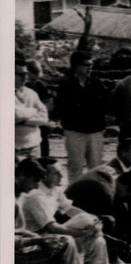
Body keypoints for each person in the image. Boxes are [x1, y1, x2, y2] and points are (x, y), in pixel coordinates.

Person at [19, 157, 109, 264]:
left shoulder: (55, 189)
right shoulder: (34, 195)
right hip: (37, 238)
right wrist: (82, 233)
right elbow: (51, 227)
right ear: (44, 175)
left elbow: (69, 209)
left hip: (50, 233)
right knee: (75, 238)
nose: (61, 176)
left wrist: (93, 221)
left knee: (98, 241)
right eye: (56, 173)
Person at [15, 158, 83, 264]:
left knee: (62, 241)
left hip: (24, 242)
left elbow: (18, 230)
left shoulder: (20, 195)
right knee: (65, 243)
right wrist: (38, 240)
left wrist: (37, 238)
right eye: (34, 181)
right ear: (22, 176)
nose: (37, 186)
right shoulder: (17, 199)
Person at [54, 50, 109, 182]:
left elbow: (106, 105)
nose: (90, 67)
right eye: (86, 64)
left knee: (96, 169)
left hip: (95, 132)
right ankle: (73, 198)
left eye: (91, 64)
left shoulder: (97, 84)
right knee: (75, 168)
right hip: (75, 132)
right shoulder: (65, 85)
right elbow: (61, 108)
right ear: (76, 66)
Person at [15, 56, 49, 159]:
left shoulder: (31, 93)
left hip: (34, 148)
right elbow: (14, 115)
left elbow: (44, 117)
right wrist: (33, 111)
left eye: (25, 74)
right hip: (14, 150)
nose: (24, 77)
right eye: (20, 74)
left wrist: (22, 121)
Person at [25, 60, 54, 158]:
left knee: (43, 145)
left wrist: (42, 114)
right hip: (24, 121)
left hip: (38, 119)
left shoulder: (40, 85)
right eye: (32, 79)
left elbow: (49, 102)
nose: (34, 82)